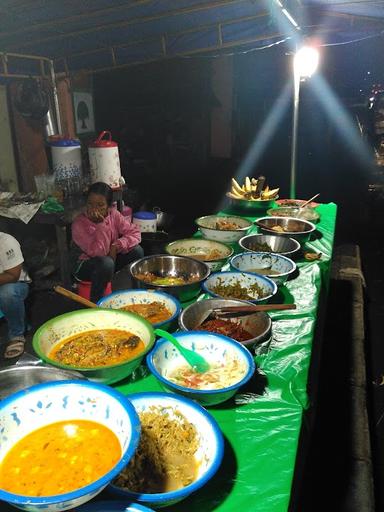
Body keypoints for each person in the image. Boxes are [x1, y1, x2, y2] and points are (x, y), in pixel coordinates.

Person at [71, 181, 144, 303]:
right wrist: (100, 225)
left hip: (109, 258)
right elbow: (99, 252)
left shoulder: (113, 215)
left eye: (100, 205)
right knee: (106, 263)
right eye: (90, 204)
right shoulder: (79, 224)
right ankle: (96, 303)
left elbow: (135, 233)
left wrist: (117, 245)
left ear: (109, 206)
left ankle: (137, 293)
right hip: (84, 266)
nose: (94, 209)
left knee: (137, 251)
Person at [0, 232, 31, 359]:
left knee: (8, 293)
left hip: (15, 284)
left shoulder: (6, 241)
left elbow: (13, 275)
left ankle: (16, 335)